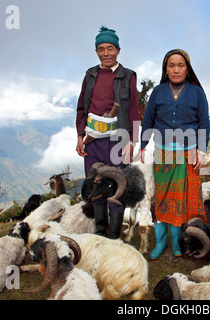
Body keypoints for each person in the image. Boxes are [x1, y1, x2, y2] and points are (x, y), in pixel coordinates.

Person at [138, 49, 210, 260]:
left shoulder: (197, 93)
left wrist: (202, 151)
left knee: (182, 201)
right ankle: (161, 242)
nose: (176, 69)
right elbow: (148, 121)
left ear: (187, 69)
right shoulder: (158, 92)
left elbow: (204, 123)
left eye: (181, 65)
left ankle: (178, 243)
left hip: (188, 155)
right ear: (165, 69)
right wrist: (142, 146)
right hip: (163, 154)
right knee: (162, 199)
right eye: (171, 65)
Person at [75, 26, 140, 239]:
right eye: (101, 49)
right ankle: (100, 234)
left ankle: (114, 236)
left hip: (117, 140)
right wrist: (79, 136)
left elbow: (133, 109)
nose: (106, 53)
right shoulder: (90, 75)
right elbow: (82, 106)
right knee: (97, 186)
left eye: (110, 48)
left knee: (117, 186)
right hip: (93, 140)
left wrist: (132, 141)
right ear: (96, 52)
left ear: (118, 50)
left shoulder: (128, 76)